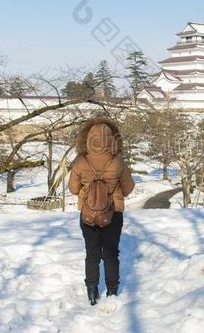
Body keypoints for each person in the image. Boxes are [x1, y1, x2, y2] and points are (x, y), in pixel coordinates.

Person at [69, 117, 135, 305]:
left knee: (92, 253)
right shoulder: (117, 161)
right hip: (113, 213)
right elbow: (129, 188)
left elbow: (73, 188)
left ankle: (92, 291)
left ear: (88, 138)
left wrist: (86, 190)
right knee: (111, 253)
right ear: (112, 138)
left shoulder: (81, 161)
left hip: (88, 214)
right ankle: (112, 292)